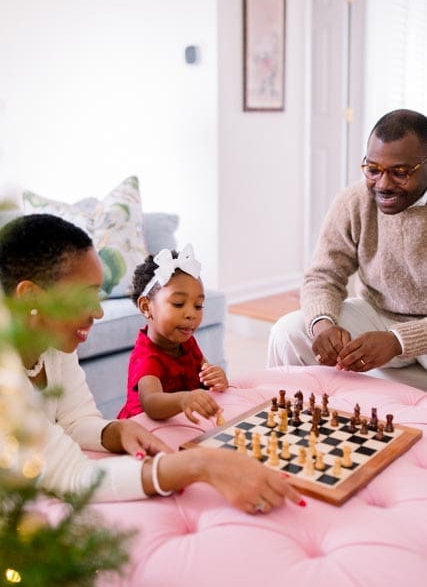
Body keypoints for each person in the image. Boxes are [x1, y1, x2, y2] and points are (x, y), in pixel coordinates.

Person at [0, 213, 303, 513]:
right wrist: (201, 464)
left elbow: (75, 419)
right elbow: (75, 476)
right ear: (30, 297)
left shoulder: (53, 342)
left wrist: (117, 431)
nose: (98, 312)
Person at [268, 108, 427, 375]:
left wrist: (398, 340)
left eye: (400, 172)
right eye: (373, 169)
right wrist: (323, 325)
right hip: (376, 314)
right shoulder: (354, 200)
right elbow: (323, 275)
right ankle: (283, 413)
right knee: (287, 333)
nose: (383, 184)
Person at [117, 245, 228, 422]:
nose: (191, 314)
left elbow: (205, 376)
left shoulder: (186, 341)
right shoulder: (147, 357)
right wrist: (184, 399)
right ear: (146, 307)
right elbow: (151, 403)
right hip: (145, 429)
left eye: (198, 306)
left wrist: (217, 377)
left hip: (180, 423)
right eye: (178, 303)